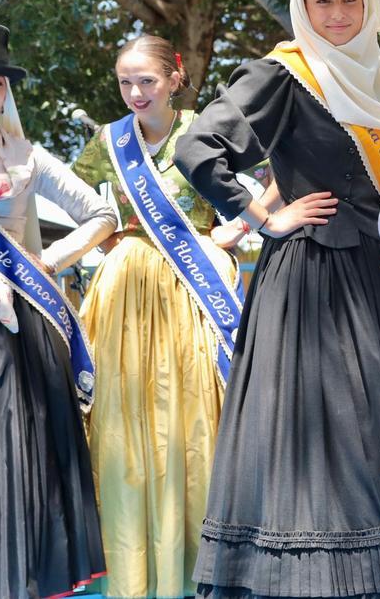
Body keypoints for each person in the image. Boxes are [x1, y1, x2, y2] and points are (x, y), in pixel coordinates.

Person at [174, 0, 380, 597]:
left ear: (367, 5)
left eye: (349, 0)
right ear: (302, 4)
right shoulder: (283, 73)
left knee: (369, 436)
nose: (337, 14)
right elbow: (196, 145)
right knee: (318, 438)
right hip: (310, 283)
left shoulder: (374, 81)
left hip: (374, 277)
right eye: (323, 1)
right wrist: (262, 214)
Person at [74, 35, 254, 598]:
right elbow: (85, 210)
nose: (134, 93)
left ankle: (209, 569)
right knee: (124, 429)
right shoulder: (108, 142)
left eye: (146, 81)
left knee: (199, 422)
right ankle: (131, 573)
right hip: (124, 293)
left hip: (193, 291)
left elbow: (272, 187)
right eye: (125, 82)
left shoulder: (207, 128)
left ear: (175, 78)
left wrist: (236, 231)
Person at [0, 21, 116, 597]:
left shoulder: (27, 157)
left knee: (10, 443)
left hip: (16, 321)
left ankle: (15, 571)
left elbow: (101, 214)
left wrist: (48, 262)